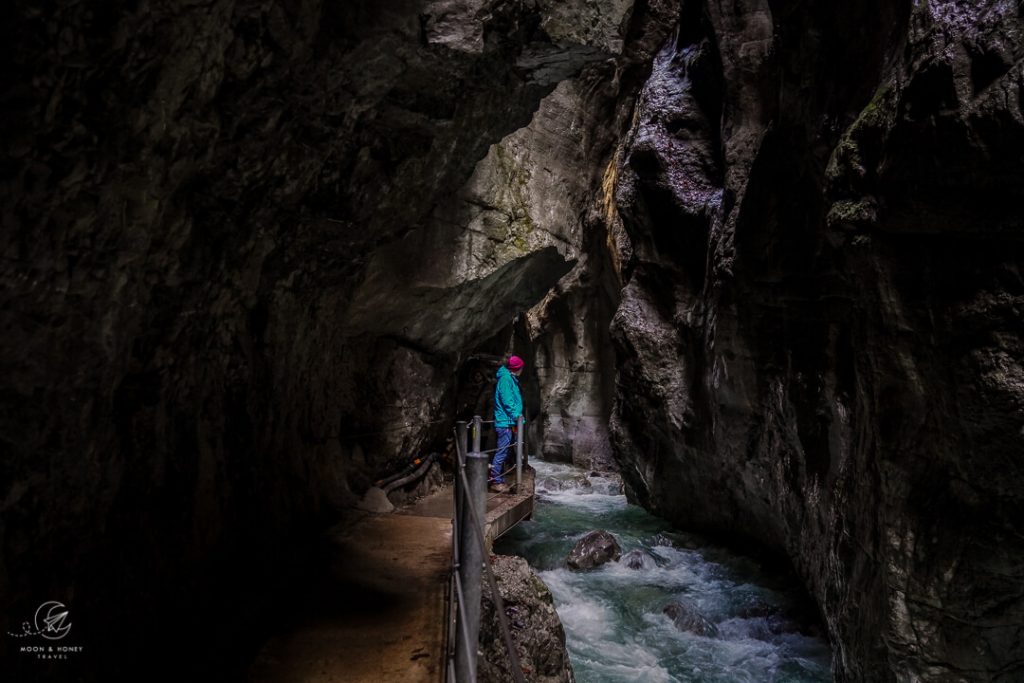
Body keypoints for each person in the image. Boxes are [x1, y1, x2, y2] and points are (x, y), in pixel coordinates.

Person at [490, 355, 524, 492]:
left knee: (504, 452)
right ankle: (495, 481)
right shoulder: (505, 379)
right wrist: (517, 416)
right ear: (517, 368)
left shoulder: (509, 378)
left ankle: (499, 479)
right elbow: (507, 400)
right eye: (521, 368)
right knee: (502, 452)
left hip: (508, 422)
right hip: (505, 421)